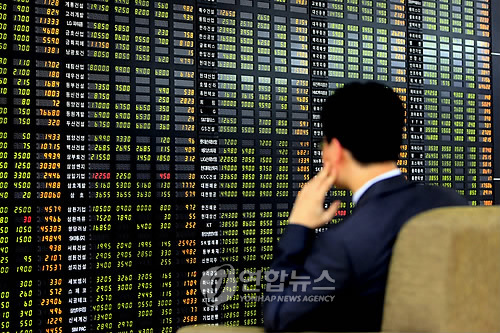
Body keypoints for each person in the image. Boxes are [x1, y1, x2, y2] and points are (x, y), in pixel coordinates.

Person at [263, 81, 467, 332]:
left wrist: (298, 227)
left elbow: (278, 316)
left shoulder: (343, 244)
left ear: (335, 150)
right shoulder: (453, 203)